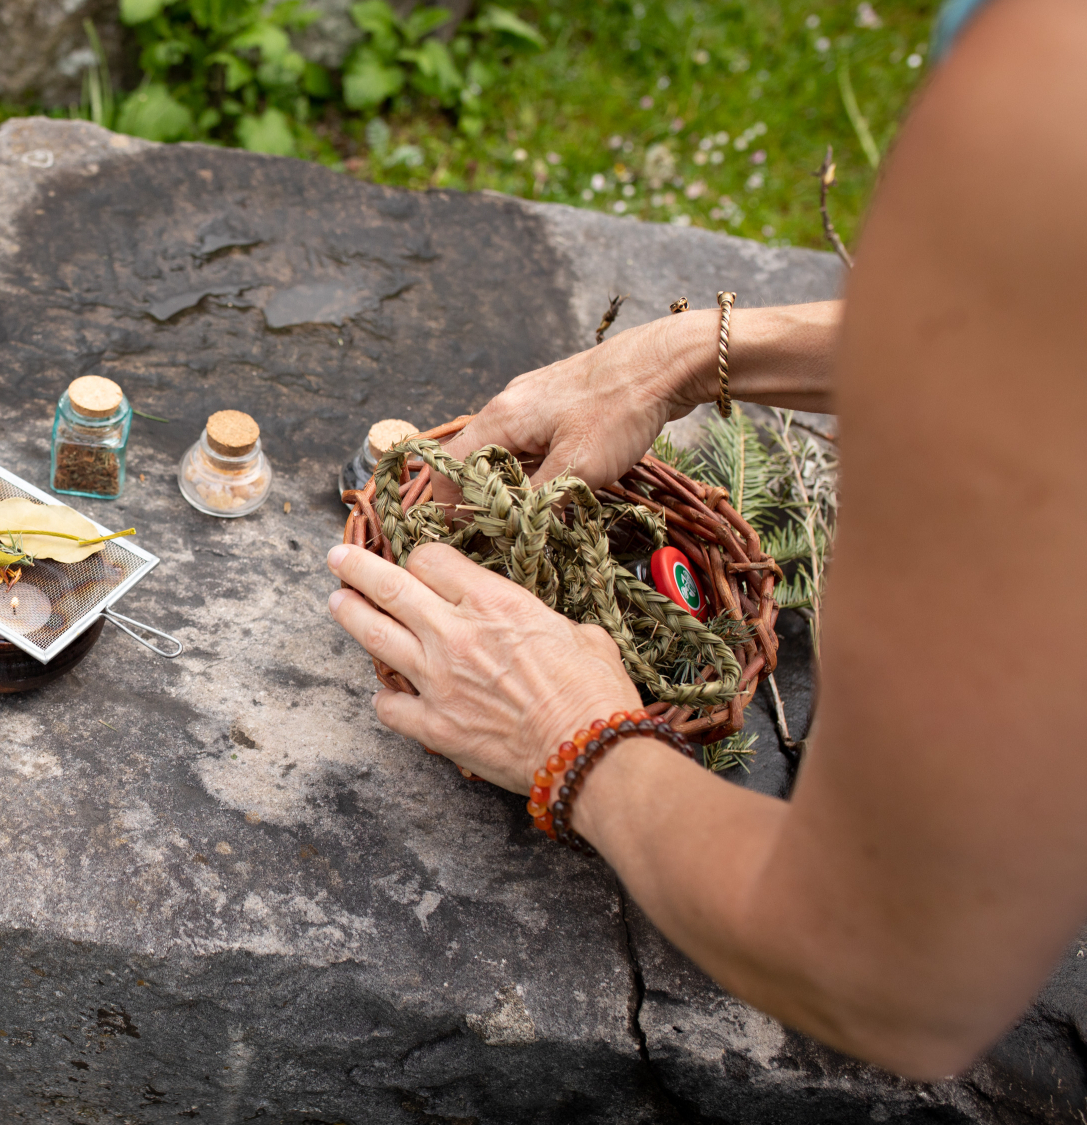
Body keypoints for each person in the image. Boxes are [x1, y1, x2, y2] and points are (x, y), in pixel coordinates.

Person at [323, 0, 1086, 1080]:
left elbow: (892, 970)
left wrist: (573, 738)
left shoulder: (1044, 86)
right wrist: (686, 353)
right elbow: (1037, 332)